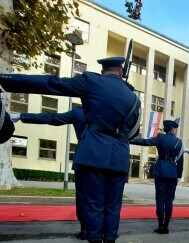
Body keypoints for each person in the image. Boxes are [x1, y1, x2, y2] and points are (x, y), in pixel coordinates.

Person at [0, 57, 141, 243]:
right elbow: (134, 133)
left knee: (93, 206)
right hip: (120, 157)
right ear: (121, 72)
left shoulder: (91, 81)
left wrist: (6, 79)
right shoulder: (134, 99)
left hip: (93, 153)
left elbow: (51, 83)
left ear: (103, 71)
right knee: (113, 207)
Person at [10, 107, 88, 239]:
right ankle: (104, 233)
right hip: (108, 161)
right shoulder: (112, 111)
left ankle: (86, 230)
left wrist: (20, 116)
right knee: (104, 197)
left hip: (85, 160)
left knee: (83, 197)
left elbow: (52, 118)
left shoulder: (79, 112)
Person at [130, 120, 184, 235]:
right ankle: (166, 226)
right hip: (173, 172)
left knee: (160, 198)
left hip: (160, 171)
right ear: (173, 129)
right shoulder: (179, 142)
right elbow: (180, 162)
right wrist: (179, 176)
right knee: (169, 200)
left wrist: (131, 140)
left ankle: (160, 226)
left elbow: (146, 142)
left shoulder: (160, 137)